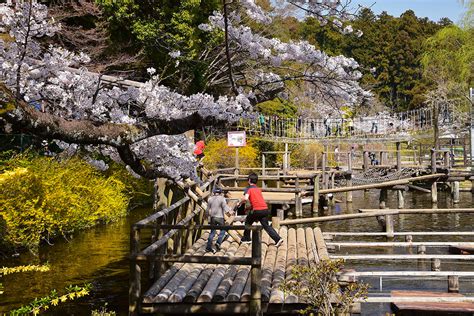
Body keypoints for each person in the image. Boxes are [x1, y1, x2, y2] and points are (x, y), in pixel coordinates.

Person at [239, 173, 283, 246]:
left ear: (249, 180)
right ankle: (278, 239)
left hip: (257, 210)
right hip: (265, 209)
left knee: (248, 222)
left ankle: (247, 239)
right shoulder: (258, 189)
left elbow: (245, 198)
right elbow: (257, 202)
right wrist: (249, 208)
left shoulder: (249, 188)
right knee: (266, 226)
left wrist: (239, 203)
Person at [206, 188, 231, 253]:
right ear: (220, 193)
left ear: (214, 192)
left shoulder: (210, 199)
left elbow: (207, 209)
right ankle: (218, 242)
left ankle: (208, 247)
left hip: (213, 218)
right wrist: (230, 212)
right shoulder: (222, 199)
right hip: (220, 217)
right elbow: (225, 207)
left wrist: (205, 216)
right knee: (223, 230)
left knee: (212, 232)